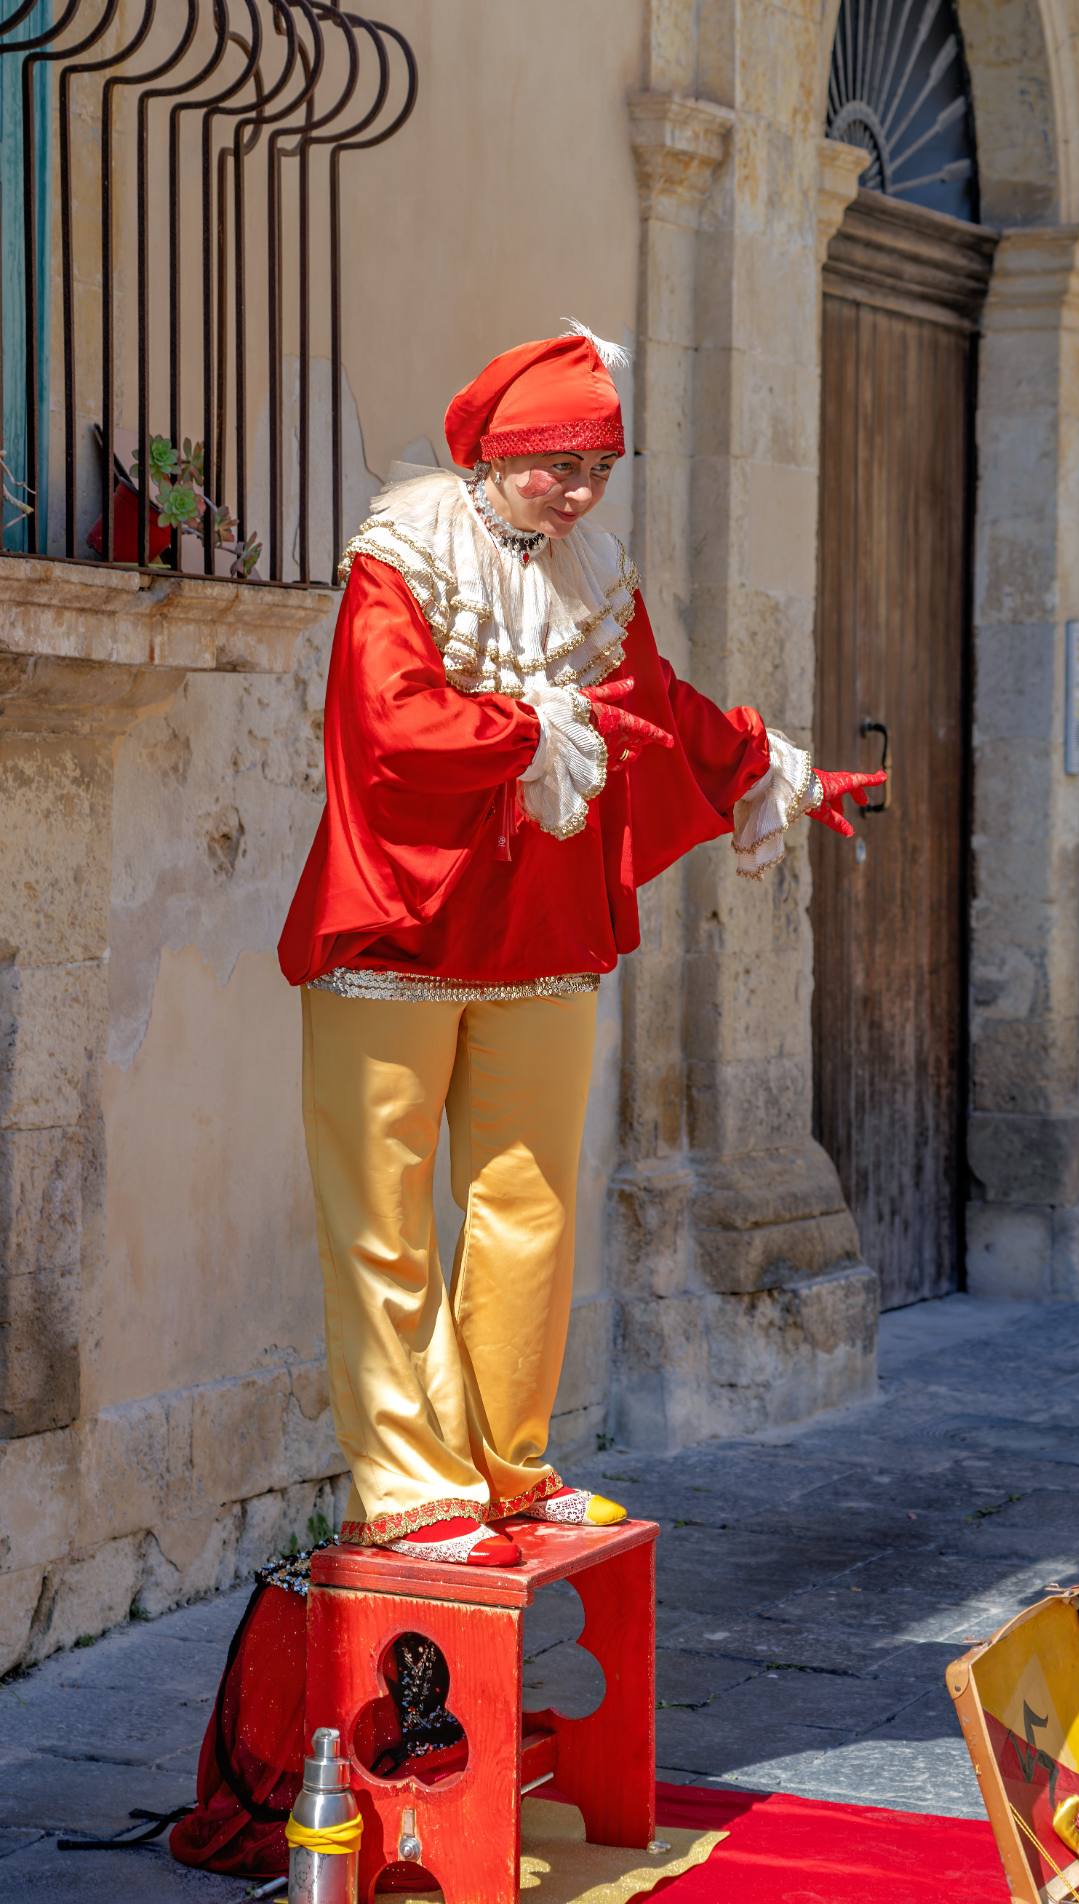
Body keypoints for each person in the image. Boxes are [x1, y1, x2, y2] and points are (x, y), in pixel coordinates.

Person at [278, 322, 883, 1567]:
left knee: (527, 1207)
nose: (578, 491)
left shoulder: (597, 573)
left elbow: (653, 707)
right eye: (557, 465)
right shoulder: (401, 555)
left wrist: (766, 770)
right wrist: (529, 728)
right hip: (399, 925)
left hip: (542, 934)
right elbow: (387, 723)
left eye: (599, 465)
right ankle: (406, 1484)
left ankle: (505, 1470)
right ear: (496, 454)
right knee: (380, 1215)